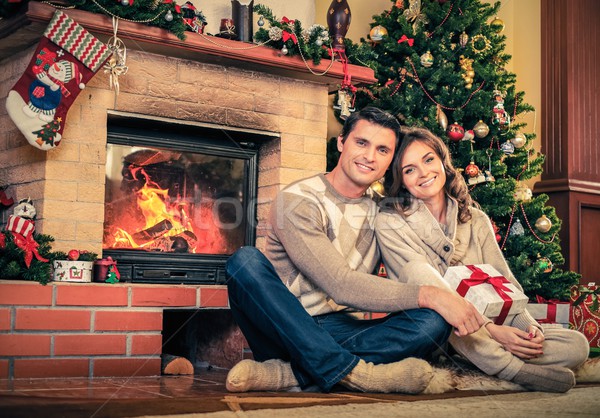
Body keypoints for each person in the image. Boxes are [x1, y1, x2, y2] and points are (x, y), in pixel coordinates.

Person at [224, 107, 485, 394]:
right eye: (361, 143)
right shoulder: (298, 201)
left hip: (345, 331)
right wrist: (430, 295)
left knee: (433, 320)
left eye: (383, 149)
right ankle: (361, 376)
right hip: (286, 328)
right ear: (341, 142)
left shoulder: (385, 211)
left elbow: (418, 262)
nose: (370, 156)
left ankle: (291, 375)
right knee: (244, 261)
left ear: (390, 162)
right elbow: (339, 284)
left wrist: (462, 309)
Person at [375, 126, 589, 393]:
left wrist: (527, 330)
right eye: (409, 169)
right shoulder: (391, 222)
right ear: (401, 179)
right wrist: (491, 330)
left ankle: (480, 360)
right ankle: (514, 370)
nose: (423, 173)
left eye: (428, 159)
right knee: (433, 295)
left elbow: (505, 282)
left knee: (577, 345)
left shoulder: (476, 219)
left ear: (443, 161)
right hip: (435, 329)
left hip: (491, 328)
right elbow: (422, 285)